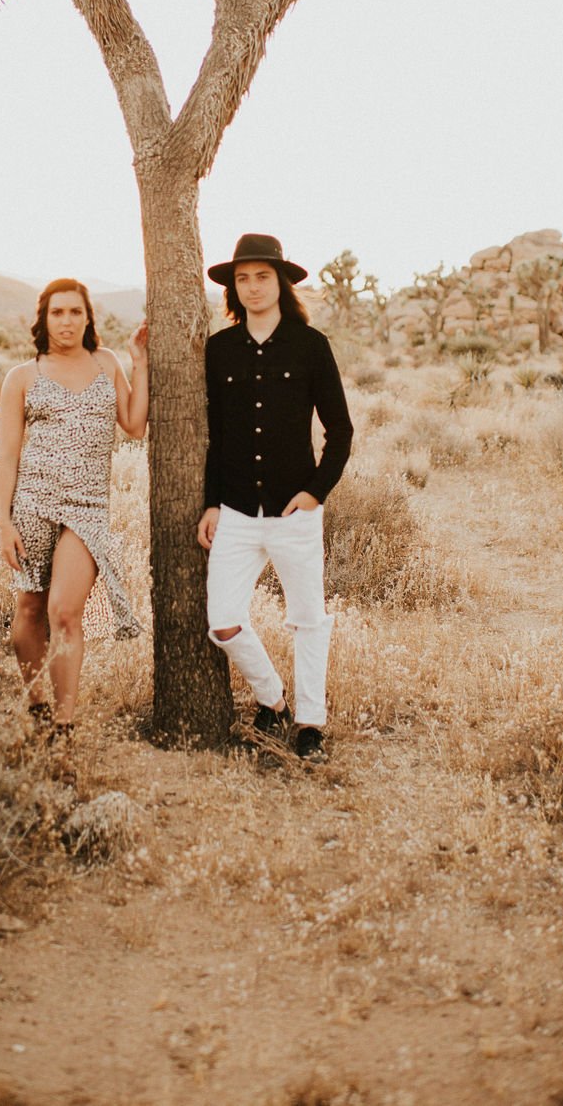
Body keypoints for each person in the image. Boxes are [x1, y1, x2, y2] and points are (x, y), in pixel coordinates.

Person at [196, 234, 353, 759]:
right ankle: (273, 698)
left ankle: (309, 724)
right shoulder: (219, 350)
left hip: (294, 511)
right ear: (233, 288)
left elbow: (341, 431)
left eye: (262, 276)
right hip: (237, 511)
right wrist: (212, 502)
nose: (252, 287)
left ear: (281, 283)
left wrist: (314, 492)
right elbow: (216, 436)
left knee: (308, 619)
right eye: (243, 278)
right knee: (222, 621)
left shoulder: (310, 346)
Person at [0, 278, 148, 728]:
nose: (66, 321)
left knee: (64, 611)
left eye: (75, 312)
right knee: (30, 607)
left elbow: (134, 425)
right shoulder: (23, 376)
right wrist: (3, 522)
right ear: (44, 319)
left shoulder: (106, 363)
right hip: (33, 504)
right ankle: (37, 702)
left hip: (87, 508)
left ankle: (63, 724)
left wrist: (140, 363)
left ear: (87, 317)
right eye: (57, 312)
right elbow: (7, 454)